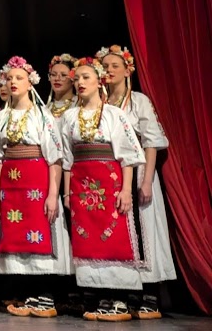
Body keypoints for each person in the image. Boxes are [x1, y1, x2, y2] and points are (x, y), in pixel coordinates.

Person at [0, 56, 71, 318]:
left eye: (19, 78)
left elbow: (55, 159)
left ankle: (45, 296)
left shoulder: (42, 115)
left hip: (36, 182)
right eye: (9, 78)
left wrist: (53, 194)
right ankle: (27, 294)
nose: (13, 82)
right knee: (16, 235)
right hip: (10, 184)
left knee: (38, 232)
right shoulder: (1, 116)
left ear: (30, 82)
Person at [60, 58, 145, 322]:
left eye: (86, 77)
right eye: (77, 79)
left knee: (114, 237)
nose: (80, 82)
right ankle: (96, 297)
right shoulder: (69, 116)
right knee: (87, 239)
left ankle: (118, 298)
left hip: (109, 186)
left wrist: (126, 190)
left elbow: (127, 156)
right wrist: (67, 193)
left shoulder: (113, 114)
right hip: (80, 187)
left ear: (99, 81)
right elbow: (66, 159)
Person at [97, 44, 175, 320]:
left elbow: (151, 142)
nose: (109, 71)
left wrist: (147, 180)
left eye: (114, 66)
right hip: (109, 173)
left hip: (138, 170)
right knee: (116, 230)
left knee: (143, 230)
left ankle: (150, 294)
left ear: (127, 70)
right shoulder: (100, 101)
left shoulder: (137, 100)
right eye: (105, 67)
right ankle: (124, 290)